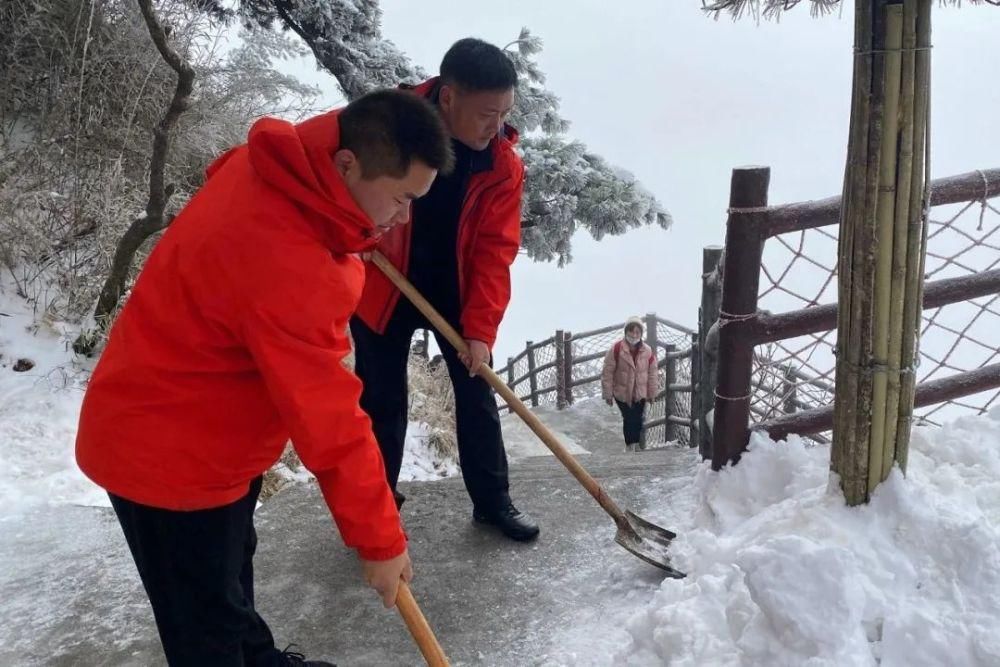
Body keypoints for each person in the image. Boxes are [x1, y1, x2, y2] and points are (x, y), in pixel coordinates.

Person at [75, 89, 453, 667]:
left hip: (205, 426)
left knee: (226, 579)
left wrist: (351, 234)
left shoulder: (278, 167)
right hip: (167, 458)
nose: (405, 217)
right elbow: (329, 419)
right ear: (348, 164)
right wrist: (380, 542)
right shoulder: (287, 260)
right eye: (402, 198)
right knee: (204, 626)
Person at [351, 38, 539, 542]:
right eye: (485, 113)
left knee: (477, 391)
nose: (495, 126)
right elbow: (344, 183)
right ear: (449, 99)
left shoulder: (501, 165)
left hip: (455, 291)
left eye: (504, 113)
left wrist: (479, 331)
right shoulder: (390, 124)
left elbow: (495, 252)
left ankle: (493, 502)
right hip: (384, 283)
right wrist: (355, 234)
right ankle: (377, 509)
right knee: (381, 400)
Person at [601, 317, 659, 452]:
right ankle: (630, 445)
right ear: (626, 332)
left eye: (637, 332)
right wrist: (608, 394)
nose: (634, 335)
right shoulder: (616, 349)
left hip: (640, 392)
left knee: (638, 418)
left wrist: (652, 393)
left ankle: (636, 444)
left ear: (641, 334)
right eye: (631, 332)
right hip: (621, 392)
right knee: (629, 417)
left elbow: (652, 374)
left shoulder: (648, 351)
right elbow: (607, 372)